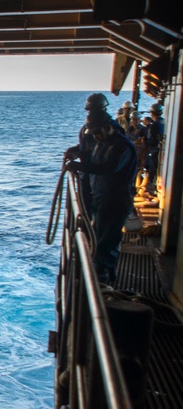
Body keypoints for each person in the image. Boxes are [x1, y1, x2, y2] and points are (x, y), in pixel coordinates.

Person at [66, 111, 137, 284]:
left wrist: (81, 166)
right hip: (101, 199)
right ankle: (101, 280)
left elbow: (109, 168)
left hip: (116, 202)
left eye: (98, 132)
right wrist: (76, 152)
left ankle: (104, 285)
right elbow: (91, 157)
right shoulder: (102, 143)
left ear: (108, 128)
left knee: (106, 244)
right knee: (98, 240)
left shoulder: (122, 146)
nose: (96, 137)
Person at [64, 92, 110, 213]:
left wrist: (79, 159)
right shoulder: (88, 126)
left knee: (95, 211)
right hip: (87, 174)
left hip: (100, 181)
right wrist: (75, 150)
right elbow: (86, 146)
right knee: (85, 206)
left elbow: (104, 160)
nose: (90, 114)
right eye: (89, 111)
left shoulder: (108, 130)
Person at [145, 102, 164, 197]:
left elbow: (152, 140)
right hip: (161, 151)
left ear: (152, 113)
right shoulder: (163, 122)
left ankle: (151, 190)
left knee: (152, 170)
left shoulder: (154, 125)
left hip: (154, 151)